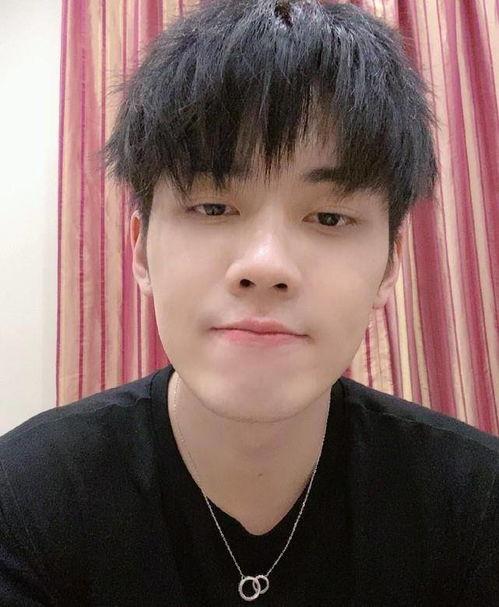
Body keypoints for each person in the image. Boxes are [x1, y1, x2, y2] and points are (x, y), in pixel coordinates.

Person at [1, 0, 497, 605]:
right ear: (140, 249)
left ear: (390, 266)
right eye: (213, 207)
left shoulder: (477, 505)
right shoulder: (24, 500)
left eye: (329, 217)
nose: (265, 266)